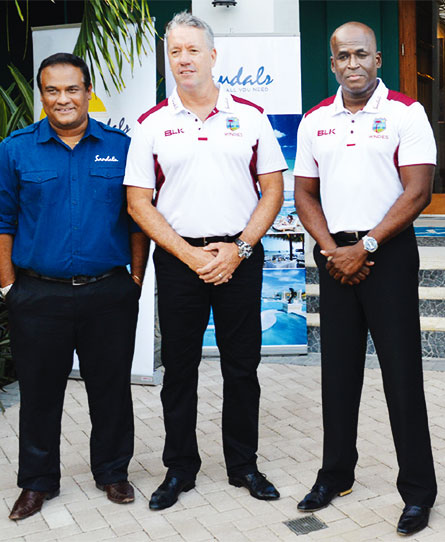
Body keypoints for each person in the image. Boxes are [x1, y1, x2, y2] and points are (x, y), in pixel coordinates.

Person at [123, 12, 285, 510]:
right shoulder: (152, 124)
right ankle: (180, 469)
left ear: (213, 56)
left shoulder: (251, 116)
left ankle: (244, 465)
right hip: (179, 260)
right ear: (167, 59)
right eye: (175, 51)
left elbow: (274, 189)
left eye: (193, 49)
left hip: (239, 256)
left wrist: (238, 250)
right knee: (180, 369)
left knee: (242, 367)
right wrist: (189, 253)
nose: (184, 59)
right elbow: (138, 202)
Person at [0, 52, 146, 520]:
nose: (63, 99)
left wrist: (133, 279)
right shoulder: (15, 150)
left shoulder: (122, 147)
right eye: (52, 90)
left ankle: (113, 473)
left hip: (108, 292)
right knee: (39, 393)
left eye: (72, 88)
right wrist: (11, 288)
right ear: (42, 95)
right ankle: (37, 483)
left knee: (111, 389)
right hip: (38, 294)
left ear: (89, 92)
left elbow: (138, 219)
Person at [293, 21, 437, 537]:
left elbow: (418, 190)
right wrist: (334, 250)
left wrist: (367, 246)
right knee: (338, 374)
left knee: (402, 377)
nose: (352, 63)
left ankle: (418, 492)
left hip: (388, 256)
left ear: (378, 59)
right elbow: (304, 193)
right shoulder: (316, 120)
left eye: (361, 54)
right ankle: (336, 475)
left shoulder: (405, 112)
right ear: (332, 64)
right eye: (342, 56)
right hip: (335, 258)